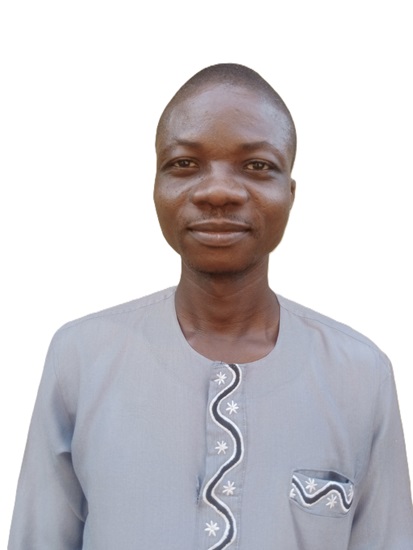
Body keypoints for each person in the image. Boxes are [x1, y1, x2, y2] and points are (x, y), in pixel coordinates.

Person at [8, 63, 413, 549]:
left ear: (290, 193)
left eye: (257, 165)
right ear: (155, 186)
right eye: (184, 164)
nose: (218, 191)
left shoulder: (360, 375)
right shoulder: (81, 358)